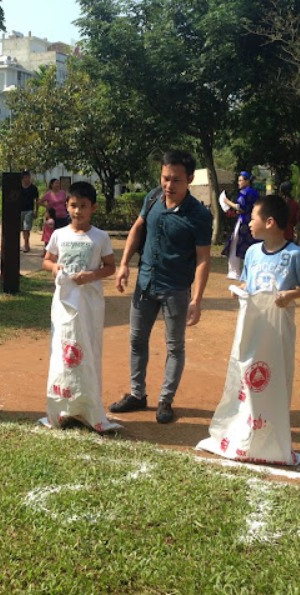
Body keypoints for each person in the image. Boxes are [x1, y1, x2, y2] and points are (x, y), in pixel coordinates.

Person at [196, 195, 300, 465]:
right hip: (252, 326)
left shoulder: (294, 255)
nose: (249, 223)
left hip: (277, 332)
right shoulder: (252, 253)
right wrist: (238, 291)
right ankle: (245, 432)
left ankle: (270, 436)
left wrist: (289, 295)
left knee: (273, 377)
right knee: (246, 375)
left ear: (270, 222)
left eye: (252, 218)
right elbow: (247, 284)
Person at [110, 150, 213, 424]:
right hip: (145, 283)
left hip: (176, 289)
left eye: (176, 180)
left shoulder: (199, 215)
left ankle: (165, 400)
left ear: (189, 179)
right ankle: (136, 393)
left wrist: (197, 300)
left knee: (174, 347)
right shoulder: (153, 197)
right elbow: (137, 228)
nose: (169, 185)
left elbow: (203, 259)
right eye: (166, 178)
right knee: (136, 340)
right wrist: (124, 264)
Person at [41, 182, 119, 432]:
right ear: (66, 206)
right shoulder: (59, 235)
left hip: (89, 305)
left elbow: (110, 267)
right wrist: (55, 268)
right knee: (62, 348)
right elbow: (47, 260)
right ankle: (63, 406)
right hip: (63, 304)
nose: (77, 211)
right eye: (73, 206)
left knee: (88, 348)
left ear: (93, 208)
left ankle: (87, 406)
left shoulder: (100, 237)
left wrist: (92, 276)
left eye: (83, 206)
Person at [222, 171, 259, 279]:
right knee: (253, 246)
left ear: (247, 181)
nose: (238, 182)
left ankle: (234, 272)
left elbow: (239, 207)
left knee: (234, 245)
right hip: (254, 220)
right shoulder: (255, 193)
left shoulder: (244, 192)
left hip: (243, 222)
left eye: (240, 180)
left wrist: (227, 201)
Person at [19, 170, 38, 253]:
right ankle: (19, 245)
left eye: (29, 177)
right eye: (26, 177)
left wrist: (36, 211)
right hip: (18, 210)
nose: (27, 179)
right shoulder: (18, 187)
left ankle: (26, 244)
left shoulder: (33, 188)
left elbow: (37, 200)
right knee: (19, 228)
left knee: (26, 228)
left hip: (29, 210)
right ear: (22, 178)